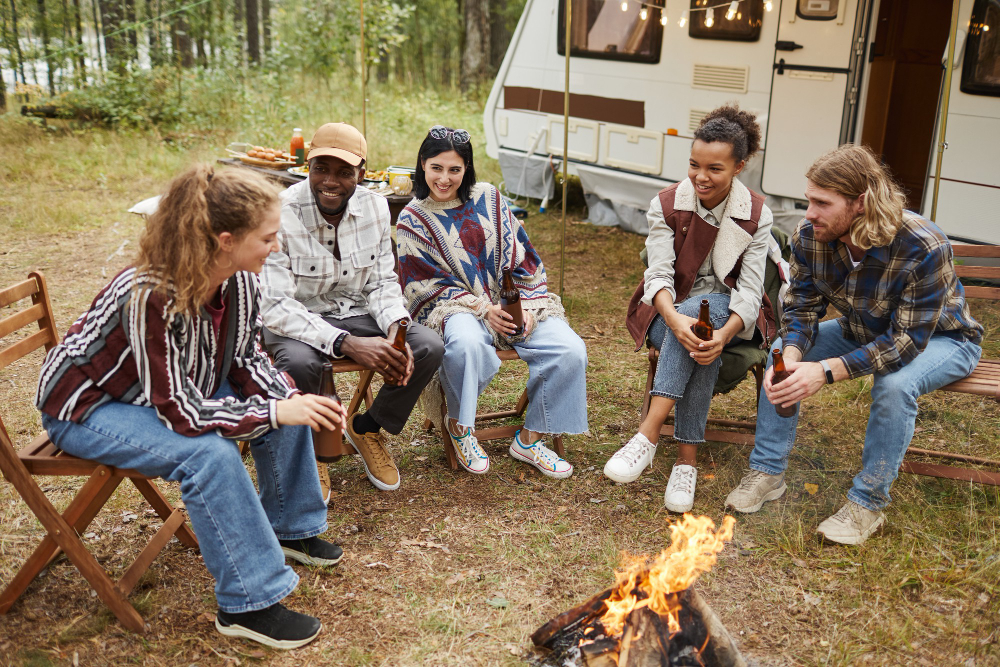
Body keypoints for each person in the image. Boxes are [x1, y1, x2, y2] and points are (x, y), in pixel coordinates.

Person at [35, 165, 347, 648]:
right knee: (209, 456)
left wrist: (289, 399)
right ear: (225, 240)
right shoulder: (149, 295)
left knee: (282, 398)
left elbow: (245, 359)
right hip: (87, 406)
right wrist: (271, 412)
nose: (277, 246)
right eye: (268, 237)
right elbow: (179, 412)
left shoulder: (240, 280)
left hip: (168, 389)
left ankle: (291, 526)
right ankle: (249, 604)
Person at [725, 144, 983, 545]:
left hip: (942, 339)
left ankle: (867, 503)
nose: (809, 212)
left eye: (821, 202)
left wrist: (825, 372)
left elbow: (906, 342)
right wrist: (793, 355)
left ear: (860, 203)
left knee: (895, 386)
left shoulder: (922, 244)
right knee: (779, 353)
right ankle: (768, 472)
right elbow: (801, 309)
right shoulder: (811, 236)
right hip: (863, 328)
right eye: (809, 199)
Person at [259, 122, 444, 495]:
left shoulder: (375, 206)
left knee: (427, 346)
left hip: (354, 311)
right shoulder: (279, 211)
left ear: (361, 172)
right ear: (307, 167)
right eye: (321, 169)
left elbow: (381, 283)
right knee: (299, 364)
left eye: (344, 172)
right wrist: (347, 343)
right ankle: (312, 451)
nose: (330, 181)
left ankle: (367, 428)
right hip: (297, 319)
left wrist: (396, 329)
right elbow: (277, 305)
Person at [396, 125, 587, 477]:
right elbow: (422, 286)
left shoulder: (488, 197)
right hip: (456, 309)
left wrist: (527, 307)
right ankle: (460, 427)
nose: (444, 178)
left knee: (570, 349)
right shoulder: (413, 218)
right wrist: (484, 309)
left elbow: (523, 257)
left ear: (466, 169)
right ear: (422, 164)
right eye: (437, 167)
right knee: (466, 343)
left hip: (511, 303)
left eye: (455, 169)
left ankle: (530, 439)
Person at [614, 104, 778, 513]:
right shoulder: (667, 204)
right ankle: (685, 462)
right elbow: (658, 277)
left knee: (711, 319)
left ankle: (648, 434)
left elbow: (750, 291)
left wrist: (723, 335)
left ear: (739, 166)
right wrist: (674, 318)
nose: (700, 177)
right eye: (693, 165)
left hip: (733, 318)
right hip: (664, 314)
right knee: (694, 332)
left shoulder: (757, 215)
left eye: (714, 169)